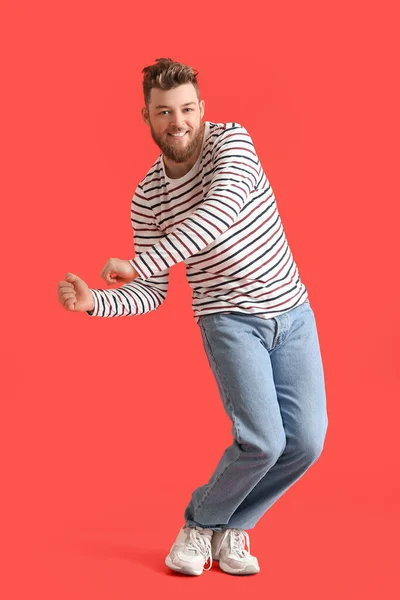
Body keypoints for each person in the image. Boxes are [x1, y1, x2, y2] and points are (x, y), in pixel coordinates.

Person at [57, 57, 328, 577]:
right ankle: (198, 526)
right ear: (147, 118)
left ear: (202, 109)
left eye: (186, 109)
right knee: (264, 440)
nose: (176, 121)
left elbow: (216, 217)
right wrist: (97, 301)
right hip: (228, 321)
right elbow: (151, 292)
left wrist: (139, 262)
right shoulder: (148, 197)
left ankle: (230, 528)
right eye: (164, 112)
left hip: (292, 313)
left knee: (307, 443)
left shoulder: (234, 144)